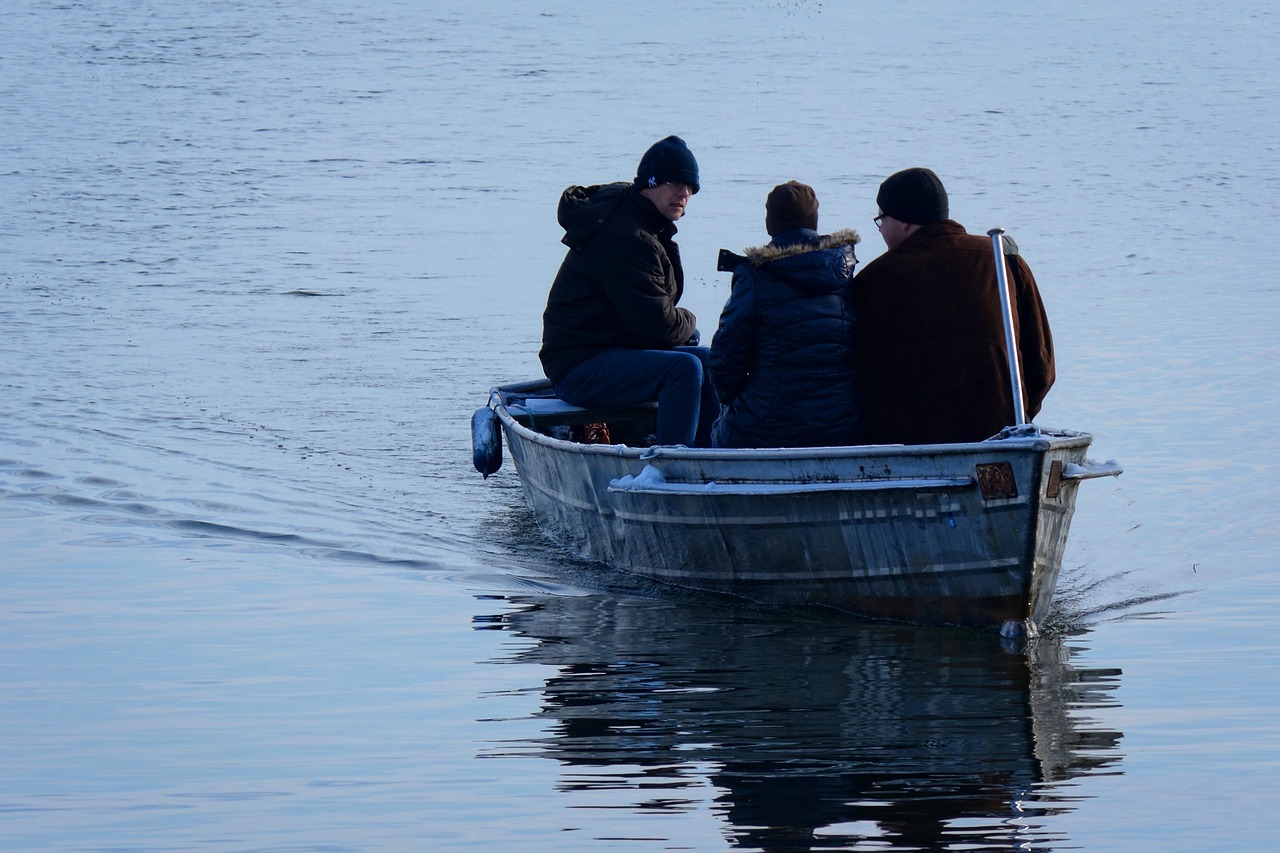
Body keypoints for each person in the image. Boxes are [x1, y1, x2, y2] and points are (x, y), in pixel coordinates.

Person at [538, 135, 718, 447]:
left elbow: (655, 317)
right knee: (683, 368)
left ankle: (711, 456)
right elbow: (658, 326)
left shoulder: (644, 225)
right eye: (675, 183)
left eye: (691, 188)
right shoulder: (628, 236)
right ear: (650, 183)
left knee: (707, 360)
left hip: (615, 348)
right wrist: (689, 320)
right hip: (578, 365)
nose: (685, 193)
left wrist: (683, 328)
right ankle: (672, 468)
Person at [853, 167, 1055, 445]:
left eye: (881, 219)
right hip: (999, 434)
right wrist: (1018, 416)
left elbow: (857, 374)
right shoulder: (1003, 259)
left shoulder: (871, 281)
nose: (880, 229)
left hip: (907, 443)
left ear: (904, 222)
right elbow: (1041, 364)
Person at [708, 181, 863, 448]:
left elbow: (726, 359)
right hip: (842, 426)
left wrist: (730, 400)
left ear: (770, 224)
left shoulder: (754, 276)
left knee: (715, 428)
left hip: (763, 430)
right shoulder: (844, 273)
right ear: (814, 221)